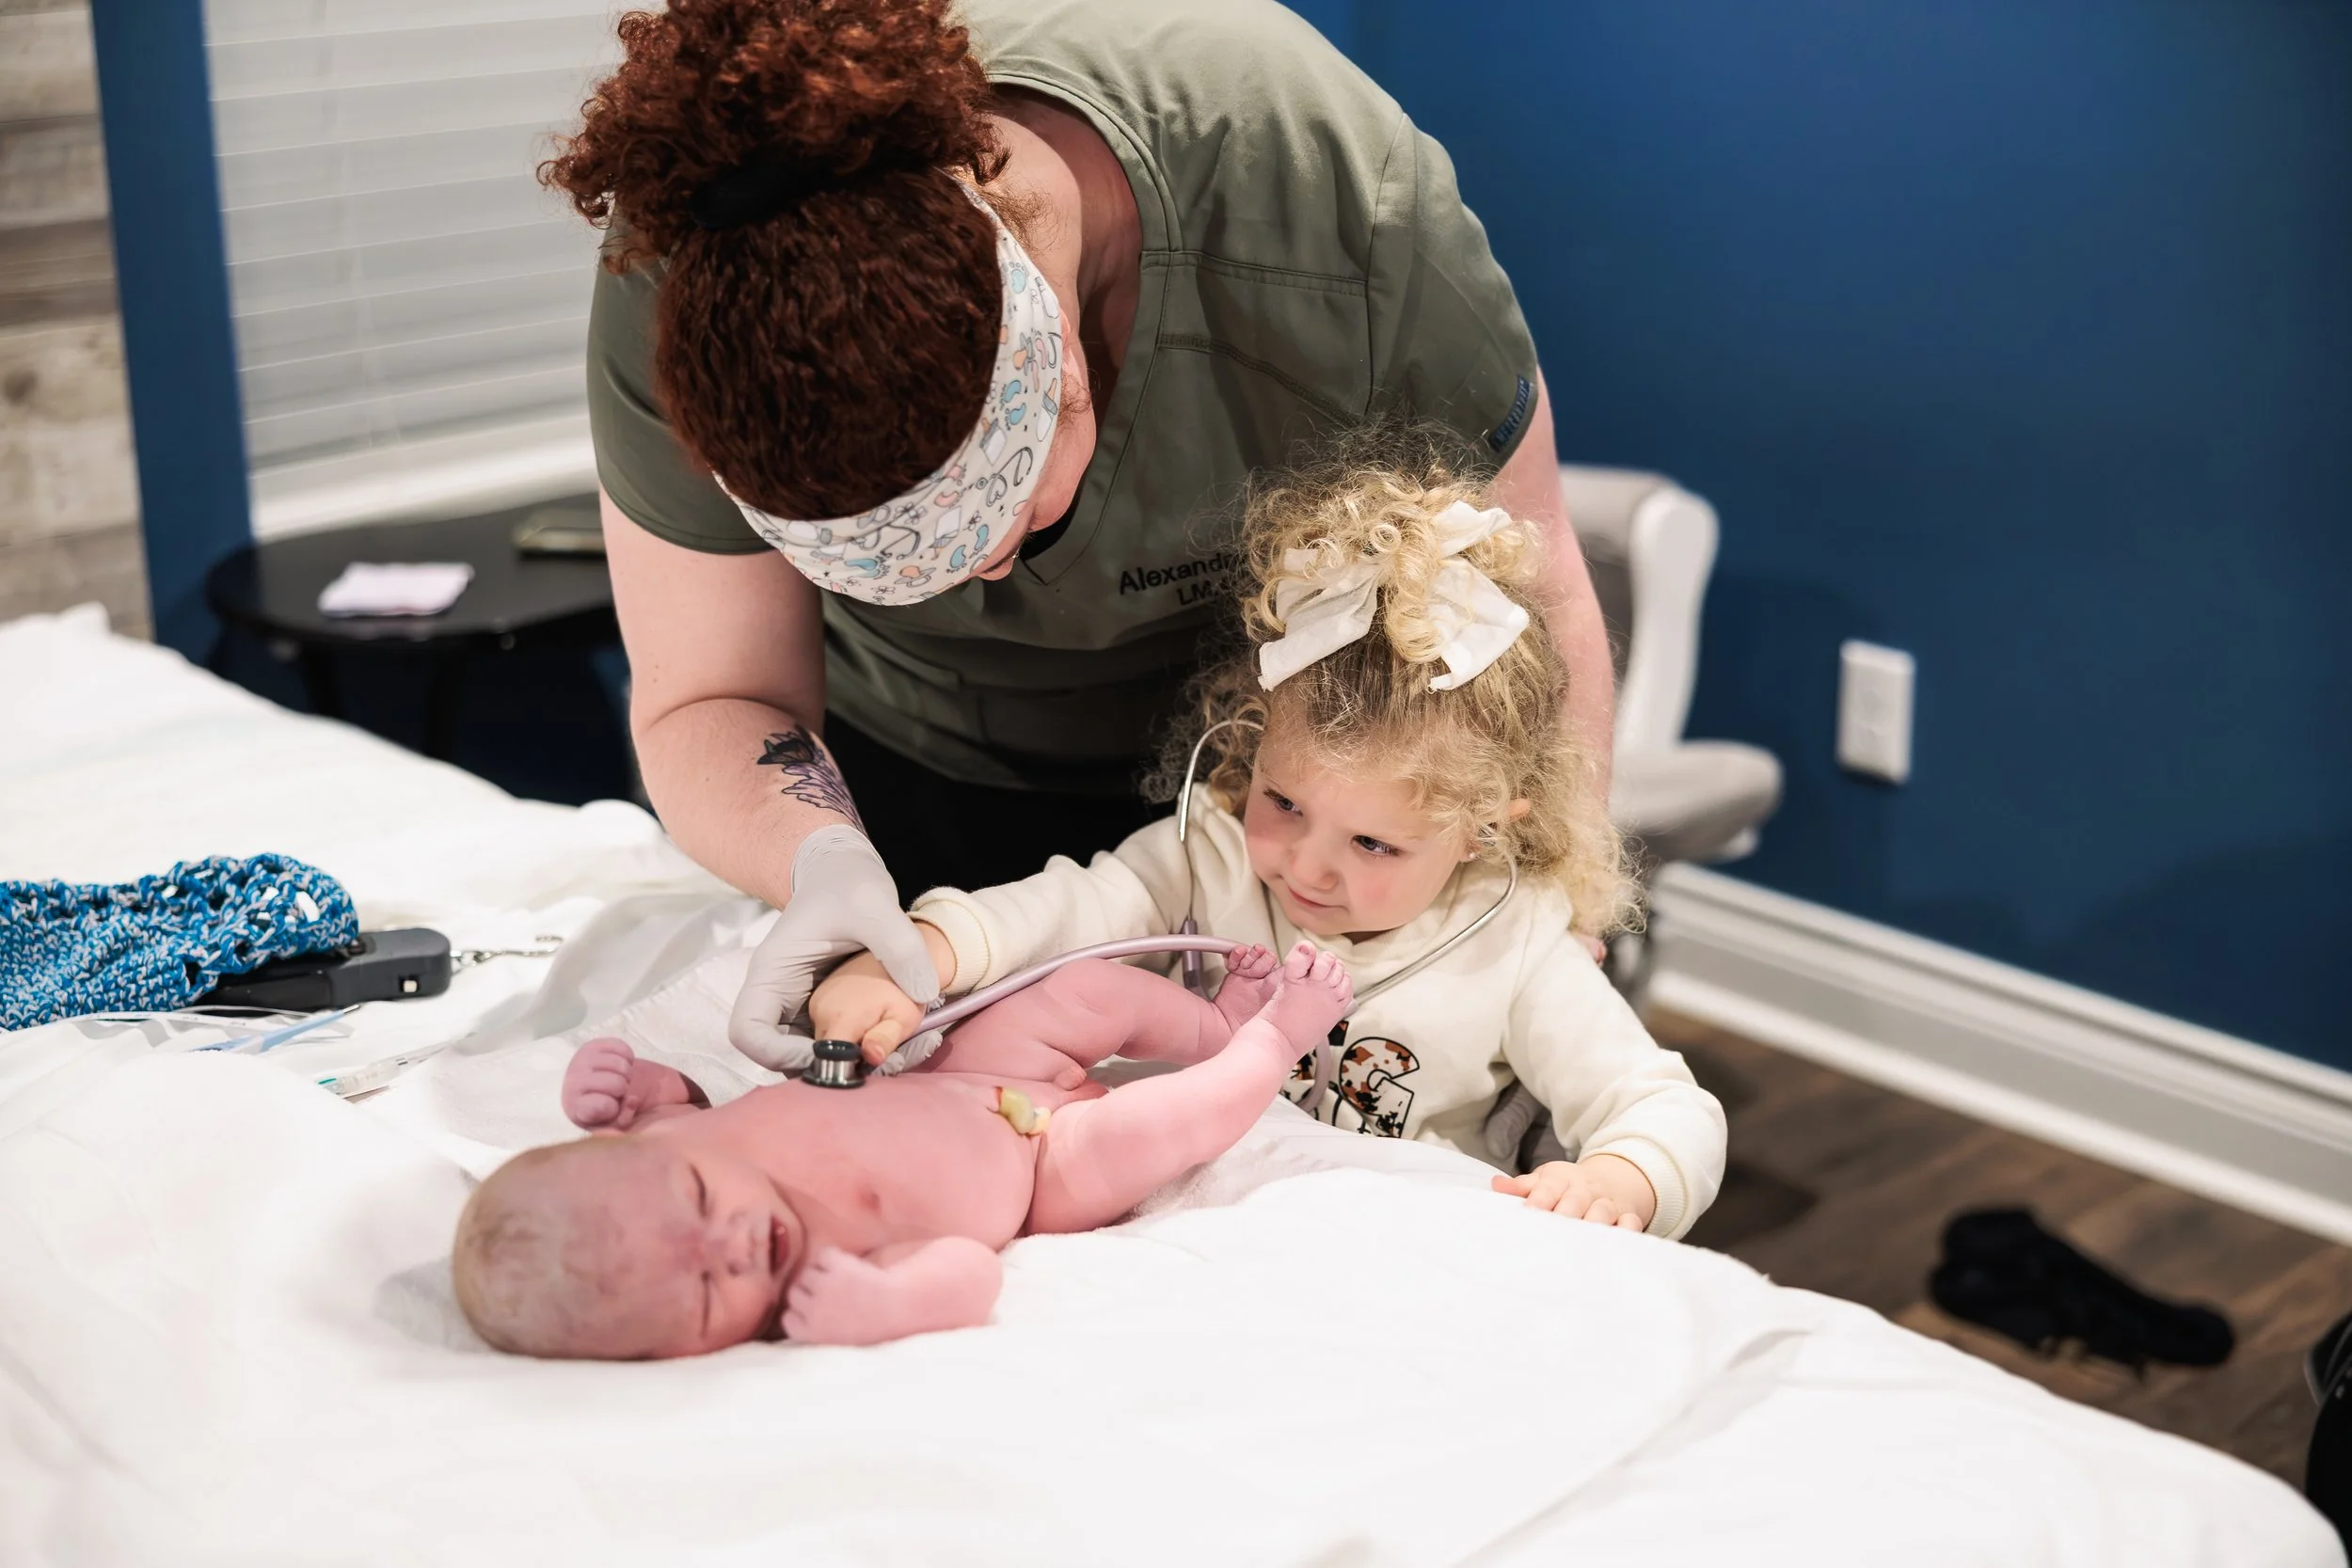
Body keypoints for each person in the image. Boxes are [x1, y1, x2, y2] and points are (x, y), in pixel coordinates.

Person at [546, 0, 1620, 1064]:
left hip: (1269, 797)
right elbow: (711, 692)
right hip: (904, 779)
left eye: (1005, 522)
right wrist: (817, 858)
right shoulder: (702, 269)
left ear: (1059, 361)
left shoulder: (1318, 182)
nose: (984, 583)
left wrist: (1553, 937)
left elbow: (1529, 591)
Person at [811, 456, 1727, 1237]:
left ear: (1481, 831)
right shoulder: (1208, 857)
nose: (1307, 865)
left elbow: (1664, 1106)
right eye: (1283, 801)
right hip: (1192, 1229)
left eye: (1374, 843)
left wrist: (1621, 1180)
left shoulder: (1515, 947)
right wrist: (920, 954)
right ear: (1250, 736)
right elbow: (1068, 908)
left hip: (1387, 1252)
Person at [450, 941, 1349, 1357]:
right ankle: (1271, 1040)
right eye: (705, 1291)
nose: (734, 1242)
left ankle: (1210, 1022)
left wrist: (631, 1086)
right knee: (1170, 1122)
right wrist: (890, 1304)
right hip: (1044, 1166)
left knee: (1081, 992)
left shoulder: (662, 1136)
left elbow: (681, 1099)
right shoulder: (821, 1279)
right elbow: (970, 1271)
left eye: (698, 1200)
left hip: (968, 1074)